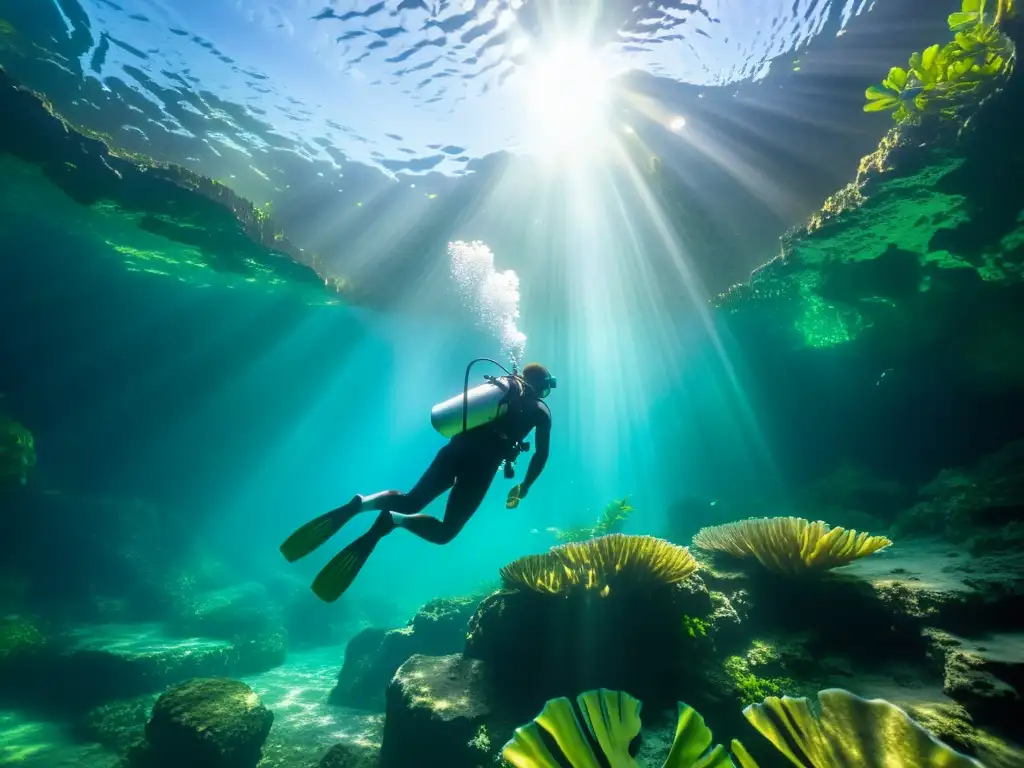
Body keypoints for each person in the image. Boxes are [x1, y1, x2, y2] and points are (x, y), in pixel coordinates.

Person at [279, 361, 556, 602]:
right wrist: (525, 486)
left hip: (453, 452)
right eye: (547, 387)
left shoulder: (502, 391)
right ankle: (394, 521)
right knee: (445, 532)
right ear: (541, 386)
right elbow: (541, 455)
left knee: (412, 499)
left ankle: (363, 503)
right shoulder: (540, 411)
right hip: (480, 469)